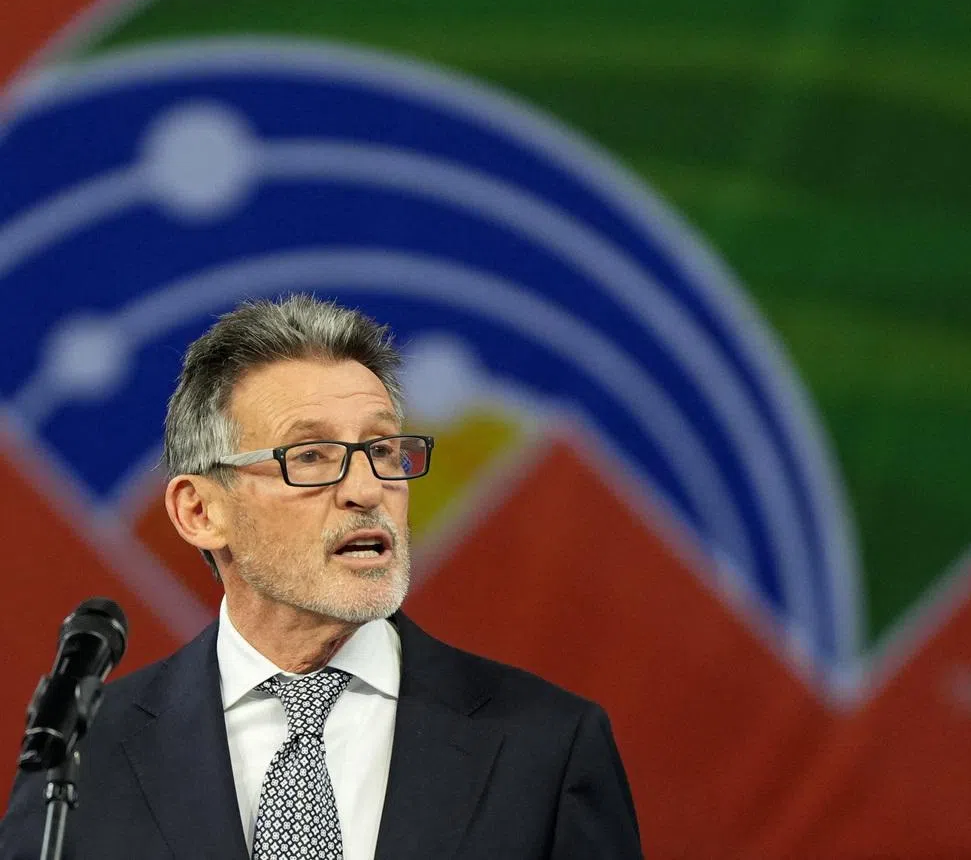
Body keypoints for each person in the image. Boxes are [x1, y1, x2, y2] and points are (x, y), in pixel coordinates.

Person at [1, 294, 641, 859]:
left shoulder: (547, 747)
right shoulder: (82, 755)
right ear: (199, 511)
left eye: (383, 450)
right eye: (310, 456)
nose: (367, 488)